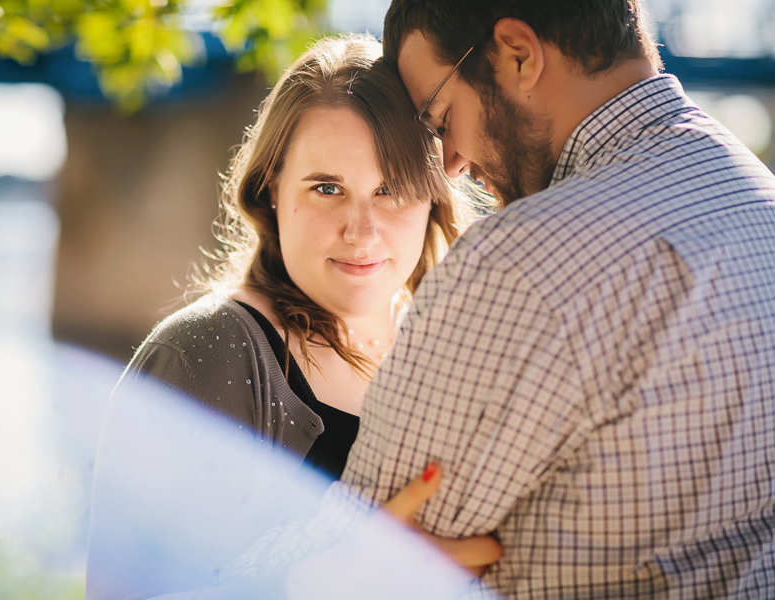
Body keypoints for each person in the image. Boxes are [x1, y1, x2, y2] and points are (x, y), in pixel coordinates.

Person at [218, 1, 775, 598]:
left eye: (439, 116)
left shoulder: (526, 261)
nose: (450, 164)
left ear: (517, 54)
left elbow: (354, 548)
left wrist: (298, 575)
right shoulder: (757, 202)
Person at [113, 34, 476, 482]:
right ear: (272, 189)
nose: (362, 231)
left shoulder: (454, 345)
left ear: (432, 199)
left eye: (391, 190)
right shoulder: (203, 353)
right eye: (327, 189)